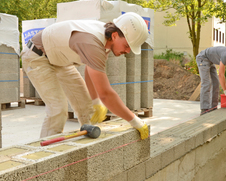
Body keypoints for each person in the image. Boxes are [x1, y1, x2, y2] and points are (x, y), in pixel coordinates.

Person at [21, 12, 149, 139]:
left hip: (59, 60)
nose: (127, 51)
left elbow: (90, 70)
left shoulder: (106, 40)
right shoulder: (92, 43)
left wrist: (95, 101)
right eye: (127, 46)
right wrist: (135, 121)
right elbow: (106, 94)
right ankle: (46, 154)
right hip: (36, 56)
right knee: (58, 109)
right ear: (115, 35)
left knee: (87, 108)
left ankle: (90, 149)